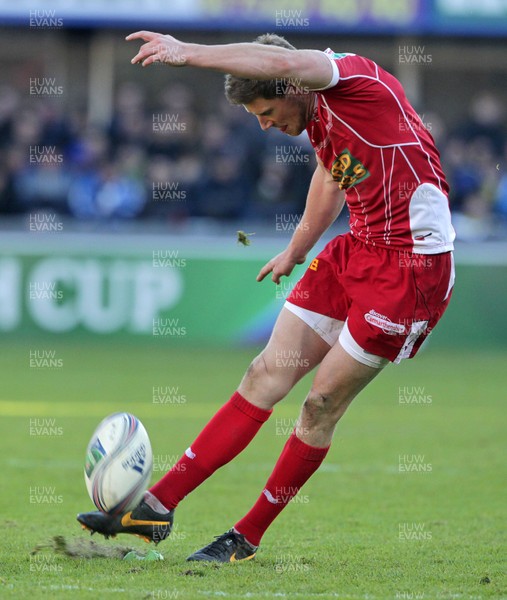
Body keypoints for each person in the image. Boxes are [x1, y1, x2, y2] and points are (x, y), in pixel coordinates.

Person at [78, 31, 456, 563]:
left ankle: (246, 537)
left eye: (266, 109)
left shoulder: (350, 79)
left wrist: (188, 53)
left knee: (319, 404)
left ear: (293, 84)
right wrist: (296, 251)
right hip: (358, 250)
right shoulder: (324, 118)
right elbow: (331, 178)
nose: (263, 123)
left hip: (410, 269)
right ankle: (154, 509)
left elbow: (279, 59)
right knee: (262, 375)